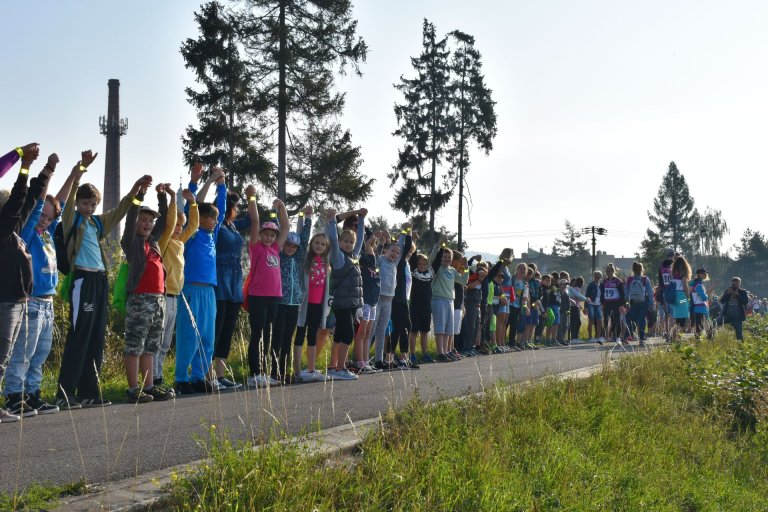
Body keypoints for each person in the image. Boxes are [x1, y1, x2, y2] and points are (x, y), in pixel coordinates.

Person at [57, 151, 149, 409]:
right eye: (85, 203)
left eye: (93, 204)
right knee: (79, 336)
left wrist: (135, 189)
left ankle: (90, 392)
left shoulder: (98, 223)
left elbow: (120, 210)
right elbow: (68, 199)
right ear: (78, 203)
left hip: (100, 282)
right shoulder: (71, 220)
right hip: (82, 281)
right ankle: (65, 394)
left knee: (96, 337)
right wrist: (80, 169)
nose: (89, 208)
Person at [4, 152, 78, 417]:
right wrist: (50, 169)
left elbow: (61, 202)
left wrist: (75, 172)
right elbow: (39, 206)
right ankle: (14, 396)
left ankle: (32, 394)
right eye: (42, 217)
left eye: (49, 218)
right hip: (32, 301)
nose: (45, 221)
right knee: (23, 351)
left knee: (41, 352)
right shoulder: (27, 233)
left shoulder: (46, 233)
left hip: (48, 302)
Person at [120, 184, 175, 403]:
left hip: (157, 300)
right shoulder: (132, 242)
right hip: (140, 299)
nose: (147, 224)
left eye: (150, 221)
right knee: (135, 344)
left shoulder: (153, 242)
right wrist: (139, 195)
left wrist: (162, 196)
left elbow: (162, 223)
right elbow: (131, 216)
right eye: (143, 220)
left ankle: (149, 386)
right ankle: (133, 389)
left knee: (151, 345)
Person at [174, 168, 226, 395]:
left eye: (214, 218)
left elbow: (222, 211)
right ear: (200, 219)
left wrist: (222, 186)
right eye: (210, 217)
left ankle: (198, 375)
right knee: (189, 335)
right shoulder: (193, 233)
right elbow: (188, 210)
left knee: (207, 336)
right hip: (191, 289)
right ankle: (180, 377)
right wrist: (196, 185)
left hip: (209, 292)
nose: (214, 221)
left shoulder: (212, 235)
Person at [0, 143, 42, 422]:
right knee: (0, 358)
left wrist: (46, 171)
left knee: (2, 359)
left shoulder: (12, 232)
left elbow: (28, 204)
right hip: (4, 302)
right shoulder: (3, 228)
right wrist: (23, 166)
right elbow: (17, 202)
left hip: (15, 301)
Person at [153, 183, 199, 389]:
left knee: (165, 343)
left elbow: (194, 226)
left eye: (181, 226)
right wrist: (172, 197)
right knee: (157, 340)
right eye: (177, 226)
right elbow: (170, 223)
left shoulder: (180, 242)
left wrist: (193, 203)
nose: (179, 229)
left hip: (175, 296)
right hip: (162, 295)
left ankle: (159, 377)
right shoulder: (163, 242)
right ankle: (152, 378)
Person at [211, 179, 252, 391]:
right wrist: (221, 185)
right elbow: (217, 208)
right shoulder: (216, 225)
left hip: (235, 281)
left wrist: (252, 198)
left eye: (234, 205)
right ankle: (209, 376)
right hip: (220, 279)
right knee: (216, 328)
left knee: (227, 330)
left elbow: (253, 221)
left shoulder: (234, 226)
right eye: (232, 205)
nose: (234, 209)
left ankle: (221, 374)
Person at [245, 195, 289, 388]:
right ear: (261, 234)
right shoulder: (256, 247)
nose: (270, 237)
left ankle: (266, 372)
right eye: (266, 234)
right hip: (257, 297)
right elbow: (255, 222)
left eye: (272, 235)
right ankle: (254, 373)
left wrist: (282, 207)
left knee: (269, 335)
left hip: (274, 297)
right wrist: (252, 198)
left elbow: (286, 227)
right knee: (257, 335)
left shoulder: (276, 249)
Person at [325, 207, 366, 380]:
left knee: (342, 334)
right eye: (346, 241)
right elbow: (332, 238)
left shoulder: (354, 256)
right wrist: (332, 220)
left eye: (351, 242)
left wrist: (362, 219)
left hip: (351, 304)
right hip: (342, 303)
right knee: (348, 334)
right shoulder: (338, 256)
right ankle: (341, 368)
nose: (348, 244)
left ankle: (336, 367)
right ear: (341, 242)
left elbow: (361, 238)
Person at [273, 206, 311, 383]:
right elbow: (278, 230)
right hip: (280, 303)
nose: (290, 248)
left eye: (294, 246)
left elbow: (304, 238)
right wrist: (277, 211)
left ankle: (284, 371)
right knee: (277, 339)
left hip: (294, 304)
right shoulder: (278, 256)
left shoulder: (298, 257)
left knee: (288, 339)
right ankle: (274, 372)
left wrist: (307, 217)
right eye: (288, 244)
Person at [294, 226, 333, 382]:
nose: (319, 246)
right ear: (311, 244)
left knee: (312, 336)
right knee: (299, 335)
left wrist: (331, 221)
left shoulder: (325, 263)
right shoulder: (305, 259)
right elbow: (300, 238)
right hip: (304, 305)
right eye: (316, 242)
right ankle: (297, 371)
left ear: (326, 248)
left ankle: (310, 370)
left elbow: (333, 240)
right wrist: (305, 218)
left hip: (318, 305)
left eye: (323, 244)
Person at [429, 241, 469, 362]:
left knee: (448, 329)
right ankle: (440, 352)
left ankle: (446, 351)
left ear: (451, 259)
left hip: (450, 301)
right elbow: (432, 258)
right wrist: (437, 246)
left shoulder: (452, 270)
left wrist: (466, 269)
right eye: (444, 257)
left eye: (449, 257)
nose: (446, 259)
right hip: (438, 300)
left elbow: (463, 281)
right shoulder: (437, 268)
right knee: (440, 329)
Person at [408, 251, 434, 363]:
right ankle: (412, 354)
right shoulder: (414, 272)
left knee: (424, 331)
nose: (422, 266)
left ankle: (425, 354)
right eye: (420, 264)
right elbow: (413, 258)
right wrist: (413, 240)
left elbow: (436, 261)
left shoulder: (430, 274)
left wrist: (441, 246)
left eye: (424, 264)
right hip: (415, 306)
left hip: (427, 306)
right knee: (414, 331)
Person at [624, 262, 654, 345]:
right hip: (643, 301)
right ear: (642, 269)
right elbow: (650, 292)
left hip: (633, 302)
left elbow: (626, 293)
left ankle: (627, 336)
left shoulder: (630, 279)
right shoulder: (645, 279)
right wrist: (651, 303)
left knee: (630, 318)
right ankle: (641, 339)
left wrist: (626, 302)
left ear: (633, 270)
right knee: (642, 319)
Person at [668, 255, 692, 340]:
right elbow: (685, 288)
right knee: (683, 317)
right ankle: (676, 336)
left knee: (677, 318)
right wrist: (688, 297)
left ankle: (673, 336)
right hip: (681, 298)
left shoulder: (673, 274)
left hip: (674, 298)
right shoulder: (683, 275)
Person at [599, 263, 624, 344]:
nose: (607, 272)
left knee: (617, 320)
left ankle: (617, 338)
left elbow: (622, 294)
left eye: (608, 271)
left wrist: (621, 304)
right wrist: (602, 303)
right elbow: (602, 293)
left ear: (613, 271)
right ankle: (604, 337)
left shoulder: (618, 281)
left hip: (616, 303)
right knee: (605, 319)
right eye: (606, 271)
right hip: (607, 303)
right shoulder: (604, 281)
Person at [689, 268, 710, 339]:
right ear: (700, 275)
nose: (706, 275)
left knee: (698, 324)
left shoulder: (693, 283)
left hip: (695, 306)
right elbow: (704, 298)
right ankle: (708, 339)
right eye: (704, 273)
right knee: (703, 324)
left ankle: (698, 339)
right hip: (700, 307)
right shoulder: (699, 284)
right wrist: (706, 295)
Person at [585, 271, 604, 344]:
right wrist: (586, 307)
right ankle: (590, 337)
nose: (597, 278)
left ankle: (598, 337)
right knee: (591, 320)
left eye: (599, 277)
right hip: (591, 304)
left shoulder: (602, 285)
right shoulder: (590, 285)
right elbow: (586, 296)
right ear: (594, 276)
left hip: (598, 304)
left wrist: (603, 304)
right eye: (596, 276)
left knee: (599, 321)